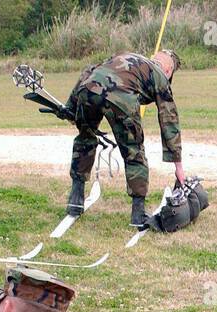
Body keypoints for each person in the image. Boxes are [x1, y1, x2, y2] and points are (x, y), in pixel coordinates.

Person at [64, 49, 185, 228]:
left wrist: (71, 106)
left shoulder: (126, 56)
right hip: (122, 98)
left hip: (88, 89)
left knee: (85, 139)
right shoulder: (159, 74)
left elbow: (90, 70)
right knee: (133, 152)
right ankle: (138, 214)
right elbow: (169, 120)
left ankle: (75, 200)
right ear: (169, 71)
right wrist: (178, 166)